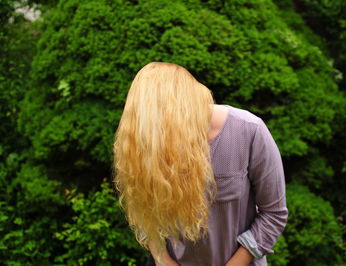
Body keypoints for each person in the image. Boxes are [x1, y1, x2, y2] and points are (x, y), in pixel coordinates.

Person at [112, 62, 288, 266]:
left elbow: (273, 214)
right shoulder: (149, 141)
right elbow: (144, 211)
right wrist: (164, 261)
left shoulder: (249, 131)